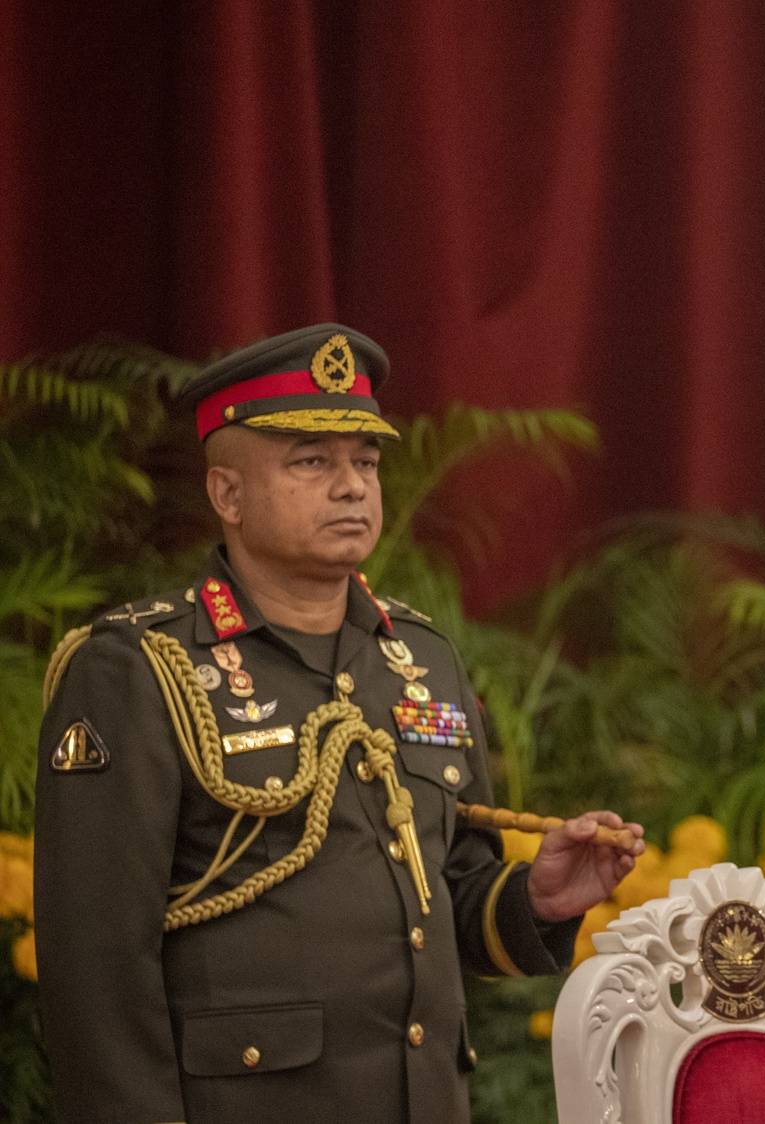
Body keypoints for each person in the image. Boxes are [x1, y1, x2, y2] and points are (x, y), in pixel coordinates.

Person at [34, 324, 645, 1123]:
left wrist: (536, 897)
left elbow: (447, 906)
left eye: (365, 461)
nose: (352, 486)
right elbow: (97, 978)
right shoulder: (140, 669)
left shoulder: (418, 658)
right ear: (227, 494)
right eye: (312, 461)